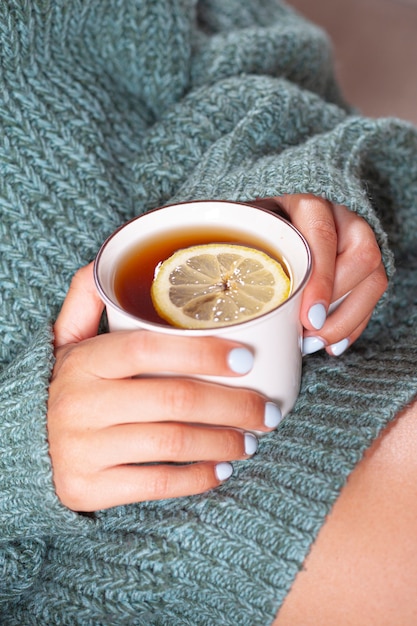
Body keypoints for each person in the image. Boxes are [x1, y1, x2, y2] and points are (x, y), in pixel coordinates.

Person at [0, 1, 416, 624]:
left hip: (354, 309)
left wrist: (292, 176)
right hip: (94, 529)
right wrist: (17, 459)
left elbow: (252, 44)